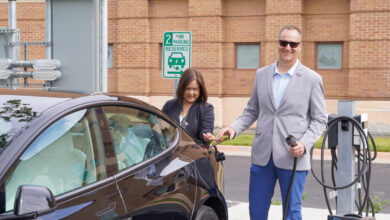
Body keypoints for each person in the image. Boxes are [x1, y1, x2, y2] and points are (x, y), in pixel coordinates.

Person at [217, 25, 327, 220]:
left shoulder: (312, 79)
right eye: (284, 42)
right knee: (257, 212)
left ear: (300, 46)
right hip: (263, 156)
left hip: (292, 156)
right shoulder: (262, 74)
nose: (288, 47)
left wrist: (305, 143)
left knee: (291, 213)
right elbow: (252, 110)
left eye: (293, 43)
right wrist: (233, 129)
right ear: (278, 44)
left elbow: (319, 119)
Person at [162, 68, 215, 146]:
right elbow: (162, 128)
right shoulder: (169, 105)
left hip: (194, 155)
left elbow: (206, 129)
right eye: (188, 89)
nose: (191, 93)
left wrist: (207, 135)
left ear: (200, 90)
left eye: (195, 89)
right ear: (181, 88)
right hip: (169, 153)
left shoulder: (206, 108)